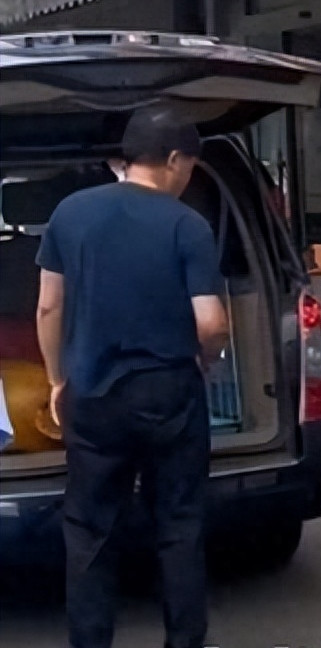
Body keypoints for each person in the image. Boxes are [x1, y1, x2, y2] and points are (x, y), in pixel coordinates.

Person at [36, 107, 230, 648]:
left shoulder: (70, 213)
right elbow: (211, 321)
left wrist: (57, 379)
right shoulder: (186, 224)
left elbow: (49, 308)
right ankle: (184, 641)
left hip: (92, 392)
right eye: (189, 166)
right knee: (180, 524)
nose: (189, 178)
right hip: (169, 391)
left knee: (90, 529)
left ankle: (92, 641)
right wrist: (204, 358)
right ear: (172, 160)